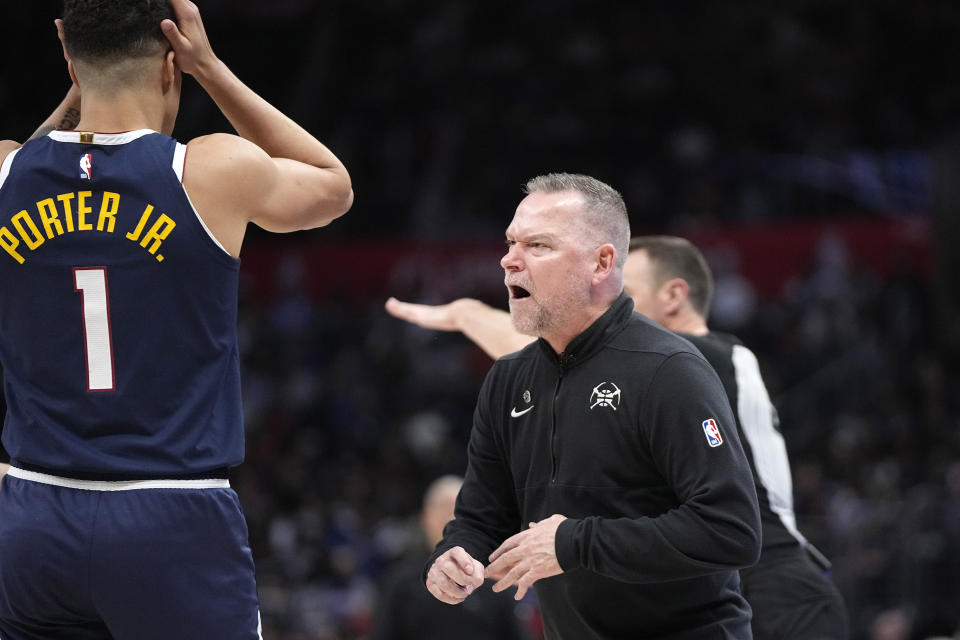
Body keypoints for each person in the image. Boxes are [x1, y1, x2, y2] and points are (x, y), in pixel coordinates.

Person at [0, 0, 352, 638]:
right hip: (170, 513)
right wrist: (212, 68)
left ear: (68, 57)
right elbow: (333, 183)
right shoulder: (207, 170)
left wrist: (75, 87)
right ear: (172, 67)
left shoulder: (7, 172)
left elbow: (27, 159)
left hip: (31, 514)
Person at [386, 235, 850, 639]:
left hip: (776, 580)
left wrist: (471, 315)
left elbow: (548, 350)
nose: (608, 302)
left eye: (626, 291)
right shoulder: (653, 368)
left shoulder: (691, 359)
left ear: (673, 296)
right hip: (726, 580)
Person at [406, 173, 762, 639]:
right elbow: (482, 516)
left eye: (538, 246)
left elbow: (731, 528)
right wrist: (455, 554)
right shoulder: (507, 379)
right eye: (512, 242)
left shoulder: (669, 369)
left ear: (601, 263)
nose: (509, 260)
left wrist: (573, 542)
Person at [369, 475, 535, 640]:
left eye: (459, 511)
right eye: (444, 508)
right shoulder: (400, 583)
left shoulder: (494, 578)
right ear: (425, 517)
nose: (450, 518)